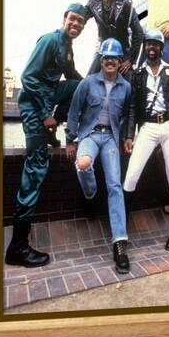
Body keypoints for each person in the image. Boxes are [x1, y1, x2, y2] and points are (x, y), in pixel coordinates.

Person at [5, 3, 87, 267]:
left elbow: (73, 78)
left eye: (80, 22)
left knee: (80, 87)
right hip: (32, 107)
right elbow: (28, 77)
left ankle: (51, 131)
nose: (75, 24)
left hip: (46, 100)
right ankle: (17, 246)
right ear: (64, 19)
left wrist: (94, 83)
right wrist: (44, 115)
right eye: (72, 19)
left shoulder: (67, 47)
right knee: (37, 166)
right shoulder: (50, 40)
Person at [65, 38, 132, 274]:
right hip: (90, 136)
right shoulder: (87, 83)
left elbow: (127, 115)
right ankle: (91, 194)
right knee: (83, 165)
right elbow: (73, 112)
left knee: (115, 185)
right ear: (101, 61)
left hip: (111, 139)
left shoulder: (126, 87)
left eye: (114, 58)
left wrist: (126, 137)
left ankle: (120, 245)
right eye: (106, 58)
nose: (110, 62)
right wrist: (70, 139)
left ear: (119, 61)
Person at [123, 29, 169, 250]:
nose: (152, 48)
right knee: (131, 175)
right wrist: (129, 135)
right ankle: (122, 230)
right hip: (148, 127)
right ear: (145, 47)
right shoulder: (138, 74)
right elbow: (132, 106)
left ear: (162, 48)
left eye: (156, 45)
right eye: (149, 44)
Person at [85, 0, 143, 78]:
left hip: (122, 50)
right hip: (103, 49)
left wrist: (131, 60)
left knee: (129, 81)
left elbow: (138, 32)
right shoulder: (93, 3)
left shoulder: (126, 4)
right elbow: (80, 18)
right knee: (89, 79)